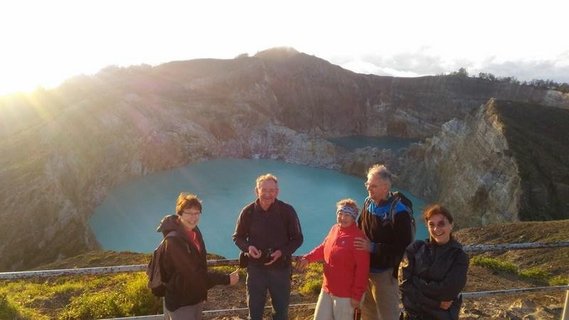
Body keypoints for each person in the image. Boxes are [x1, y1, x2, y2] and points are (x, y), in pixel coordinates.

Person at [157, 193, 239, 320]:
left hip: (195, 297)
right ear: (180, 213)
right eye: (189, 213)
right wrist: (226, 279)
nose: (193, 217)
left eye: (196, 213)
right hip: (181, 301)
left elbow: (199, 265)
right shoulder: (174, 242)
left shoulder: (194, 231)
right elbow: (192, 274)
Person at [233, 173, 304, 320]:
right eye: (264, 190)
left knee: (281, 313)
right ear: (256, 190)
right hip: (256, 270)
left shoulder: (287, 211)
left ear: (277, 192)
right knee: (254, 313)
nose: (267, 194)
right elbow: (238, 237)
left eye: (272, 190)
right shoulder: (248, 212)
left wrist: (281, 252)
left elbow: (298, 238)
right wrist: (248, 248)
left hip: (281, 270)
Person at [355, 164, 414, 320]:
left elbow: (402, 247)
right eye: (367, 184)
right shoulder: (368, 203)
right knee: (368, 313)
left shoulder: (399, 212)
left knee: (388, 314)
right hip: (365, 270)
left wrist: (372, 247)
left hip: (385, 274)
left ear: (386, 187)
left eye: (373, 185)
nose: (369, 188)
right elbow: (359, 228)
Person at [298, 199, 370, 320]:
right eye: (340, 214)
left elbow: (362, 270)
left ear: (354, 217)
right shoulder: (335, 229)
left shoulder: (358, 238)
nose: (342, 218)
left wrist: (357, 296)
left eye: (347, 215)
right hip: (327, 289)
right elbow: (323, 248)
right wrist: (308, 258)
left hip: (346, 295)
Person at [398, 204, 469, 320]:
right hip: (412, 316)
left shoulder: (459, 257)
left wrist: (415, 281)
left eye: (441, 224)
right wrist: (436, 304)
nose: (436, 229)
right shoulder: (415, 248)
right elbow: (403, 284)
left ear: (451, 225)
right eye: (432, 224)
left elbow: (448, 292)